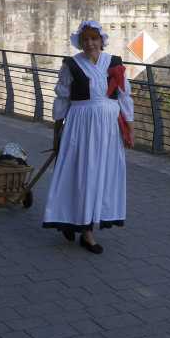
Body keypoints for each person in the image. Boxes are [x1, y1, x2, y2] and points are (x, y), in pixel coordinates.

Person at [42, 20, 133, 254]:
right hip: (81, 129)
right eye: (86, 40)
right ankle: (82, 228)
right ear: (80, 43)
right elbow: (62, 99)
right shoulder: (71, 65)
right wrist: (57, 131)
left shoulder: (114, 63)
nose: (90, 43)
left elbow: (124, 96)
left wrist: (129, 128)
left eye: (94, 38)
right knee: (82, 174)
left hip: (108, 131)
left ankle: (83, 223)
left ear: (102, 40)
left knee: (100, 175)